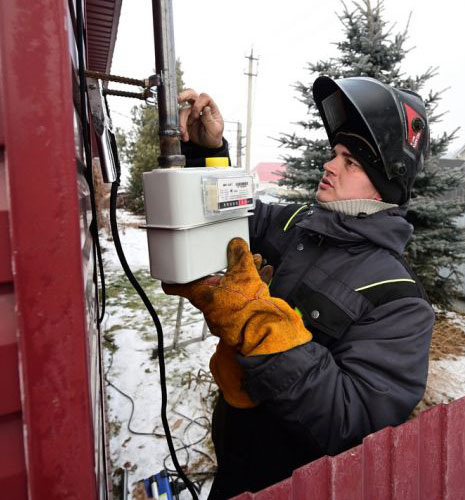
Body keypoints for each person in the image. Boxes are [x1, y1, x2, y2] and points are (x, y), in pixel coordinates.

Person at [164, 77, 435, 499]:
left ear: (385, 184)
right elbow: (225, 220)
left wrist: (260, 327)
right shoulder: (296, 224)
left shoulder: (400, 299)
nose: (330, 165)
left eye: (352, 162)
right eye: (334, 154)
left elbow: (353, 420)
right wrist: (209, 151)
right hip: (235, 463)